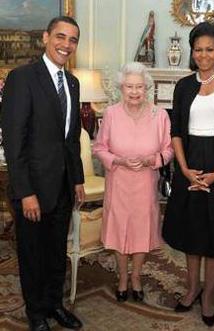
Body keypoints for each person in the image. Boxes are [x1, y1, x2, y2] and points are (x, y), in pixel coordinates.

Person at [2, 16, 85, 331]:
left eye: (73, 40)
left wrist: (76, 178)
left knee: (56, 252)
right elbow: (14, 140)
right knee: (33, 255)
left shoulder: (73, 82)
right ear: (46, 38)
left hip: (62, 186)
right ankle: (36, 314)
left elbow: (71, 138)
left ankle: (54, 305)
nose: (66, 44)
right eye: (60, 37)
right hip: (33, 190)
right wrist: (25, 192)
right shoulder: (22, 78)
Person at [162, 22, 214, 327]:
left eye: (210, 49)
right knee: (191, 231)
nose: (203, 55)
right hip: (190, 165)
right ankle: (191, 287)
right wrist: (183, 169)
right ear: (192, 51)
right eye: (198, 49)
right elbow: (176, 132)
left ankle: (208, 295)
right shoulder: (183, 86)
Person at [93, 62, 173, 303]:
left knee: (141, 231)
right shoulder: (111, 114)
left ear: (147, 87)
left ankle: (136, 277)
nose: (135, 91)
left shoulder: (160, 115)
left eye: (139, 86)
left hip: (145, 183)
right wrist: (118, 160)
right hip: (118, 182)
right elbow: (99, 147)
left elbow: (168, 150)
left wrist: (152, 160)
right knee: (119, 230)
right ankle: (122, 279)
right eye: (129, 86)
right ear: (121, 88)